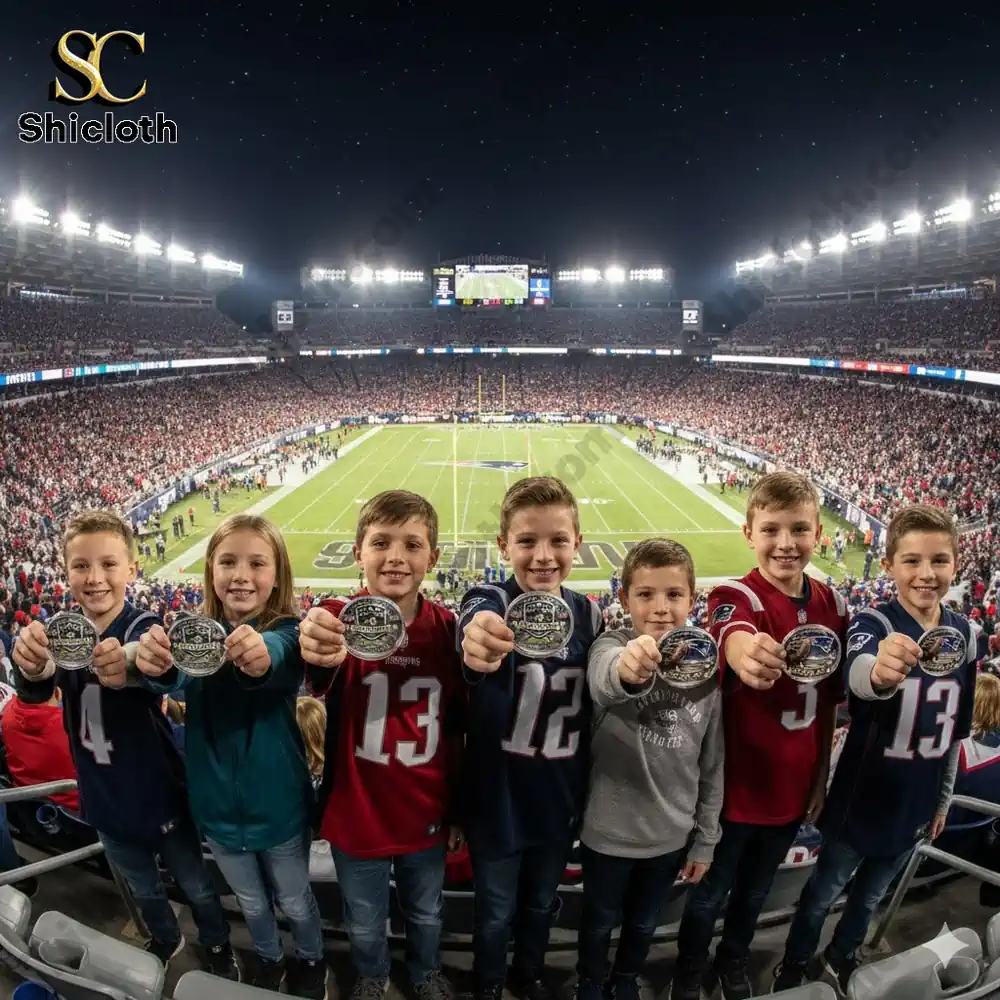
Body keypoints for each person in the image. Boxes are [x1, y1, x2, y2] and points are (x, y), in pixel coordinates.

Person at [11, 510, 237, 978]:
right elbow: (37, 685)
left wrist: (134, 663)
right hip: (102, 795)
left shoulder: (140, 624)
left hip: (156, 792)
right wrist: (30, 669)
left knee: (195, 885)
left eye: (109, 565)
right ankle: (165, 938)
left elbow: (150, 659)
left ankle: (216, 945)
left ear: (132, 569)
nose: (95, 579)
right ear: (66, 569)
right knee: (143, 887)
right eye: (81, 566)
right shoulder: (63, 631)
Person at [772, 504, 982, 994]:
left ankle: (842, 955)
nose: (926, 574)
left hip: (917, 801)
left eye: (938, 560)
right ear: (887, 566)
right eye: (911, 561)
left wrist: (943, 800)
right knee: (821, 895)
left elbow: (952, 734)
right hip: (860, 801)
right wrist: (881, 672)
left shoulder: (965, 635)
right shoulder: (876, 622)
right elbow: (861, 672)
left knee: (870, 899)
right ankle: (795, 963)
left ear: (956, 564)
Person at [671, 471, 847, 1000]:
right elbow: (734, 632)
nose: (786, 544)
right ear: (749, 533)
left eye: (798, 530)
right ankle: (687, 972)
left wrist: (818, 782)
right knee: (708, 896)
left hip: (791, 789)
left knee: (753, 895)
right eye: (771, 530)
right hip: (732, 791)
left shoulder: (833, 606)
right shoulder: (736, 592)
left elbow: (824, 709)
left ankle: (732, 963)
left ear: (819, 531)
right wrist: (745, 653)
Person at [135, 514, 326, 998]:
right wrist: (154, 661)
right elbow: (171, 676)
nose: (241, 574)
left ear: (277, 574)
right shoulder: (195, 634)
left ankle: (310, 961)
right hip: (218, 809)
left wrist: (259, 653)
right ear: (211, 571)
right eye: (228, 561)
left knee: (295, 900)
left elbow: (276, 657)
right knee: (252, 902)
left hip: (279, 807)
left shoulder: (289, 631)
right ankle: (267, 958)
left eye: (256, 563)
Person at [298, 491, 464, 1000]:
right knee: (365, 919)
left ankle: (423, 973)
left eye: (412, 544)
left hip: (425, 808)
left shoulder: (448, 629)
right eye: (381, 542)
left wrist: (457, 808)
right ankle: (372, 976)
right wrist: (316, 643)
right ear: (358, 552)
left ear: (432, 558)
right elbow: (317, 668)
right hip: (358, 811)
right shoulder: (337, 618)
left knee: (427, 912)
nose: (396, 556)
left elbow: (458, 729)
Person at [459, 476, 604, 1000]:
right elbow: (476, 626)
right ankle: (491, 984)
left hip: (556, 799)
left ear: (577, 543)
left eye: (557, 540)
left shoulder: (589, 614)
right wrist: (478, 640)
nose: (543, 556)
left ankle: (529, 976)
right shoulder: (491, 597)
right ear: (503, 547)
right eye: (526, 541)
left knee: (542, 906)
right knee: (495, 913)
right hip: (497, 804)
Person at [578, 539, 724, 1000]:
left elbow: (712, 761)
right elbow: (606, 681)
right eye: (645, 595)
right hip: (608, 831)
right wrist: (630, 669)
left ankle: (624, 982)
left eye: (673, 595)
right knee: (598, 923)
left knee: (643, 924)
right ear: (624, 600)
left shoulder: (707, 667)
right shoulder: (611, 644)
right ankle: (591, 982)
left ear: (692, 598)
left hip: (670, 834)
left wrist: (705, 837)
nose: (660, 608)